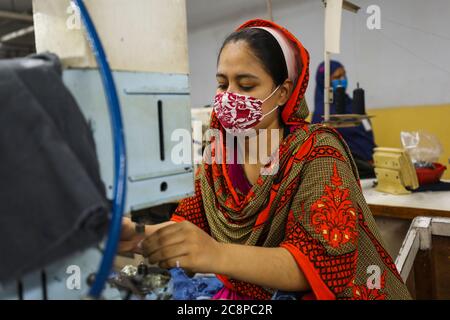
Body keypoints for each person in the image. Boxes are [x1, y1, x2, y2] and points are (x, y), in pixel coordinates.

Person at [119, 19, 411, 300]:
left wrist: (215, 254)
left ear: (283, 92)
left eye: (246, 86)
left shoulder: (316, 153)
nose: (230, 96)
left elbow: (320, 265)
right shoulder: (219, 154)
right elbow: (190, 230)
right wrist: (137, 233)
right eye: (222, 84)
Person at [312, 61, 377, 177]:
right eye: (337, 77)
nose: (342, 79)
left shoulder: (353, 105)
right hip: (348, 172)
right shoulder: (322, 114)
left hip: (371, 166)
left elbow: (367, 134)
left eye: (344, 75)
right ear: (325, 82)